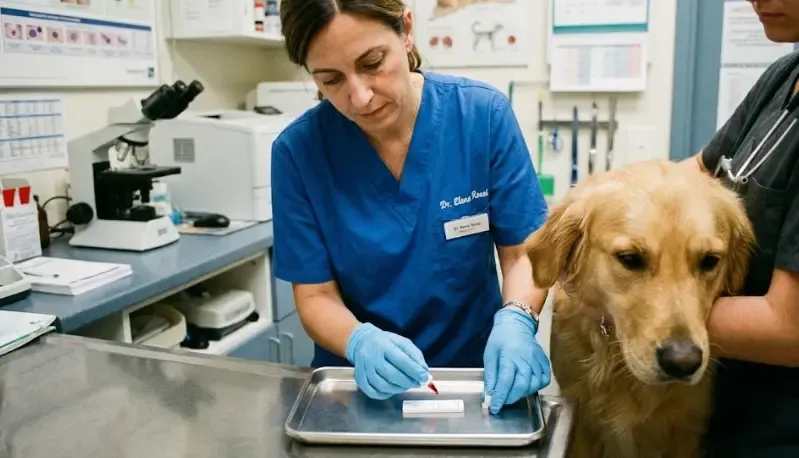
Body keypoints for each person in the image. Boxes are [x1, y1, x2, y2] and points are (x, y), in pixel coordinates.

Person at [272, 0, 551, 414]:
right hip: (359, 389)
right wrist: (359, 340)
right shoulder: (298, 152)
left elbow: (522, 253)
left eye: (372, 63)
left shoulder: (480, 116)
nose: (360, 97)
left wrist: (517, 318)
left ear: (406, 29)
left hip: (475, 384)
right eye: (330, 80)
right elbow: (314, 295)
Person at [682, 0, 799, 455]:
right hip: (726, 414)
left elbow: (789, 328)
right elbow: (694, 173)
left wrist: (627, 309)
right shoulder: (783, 76)